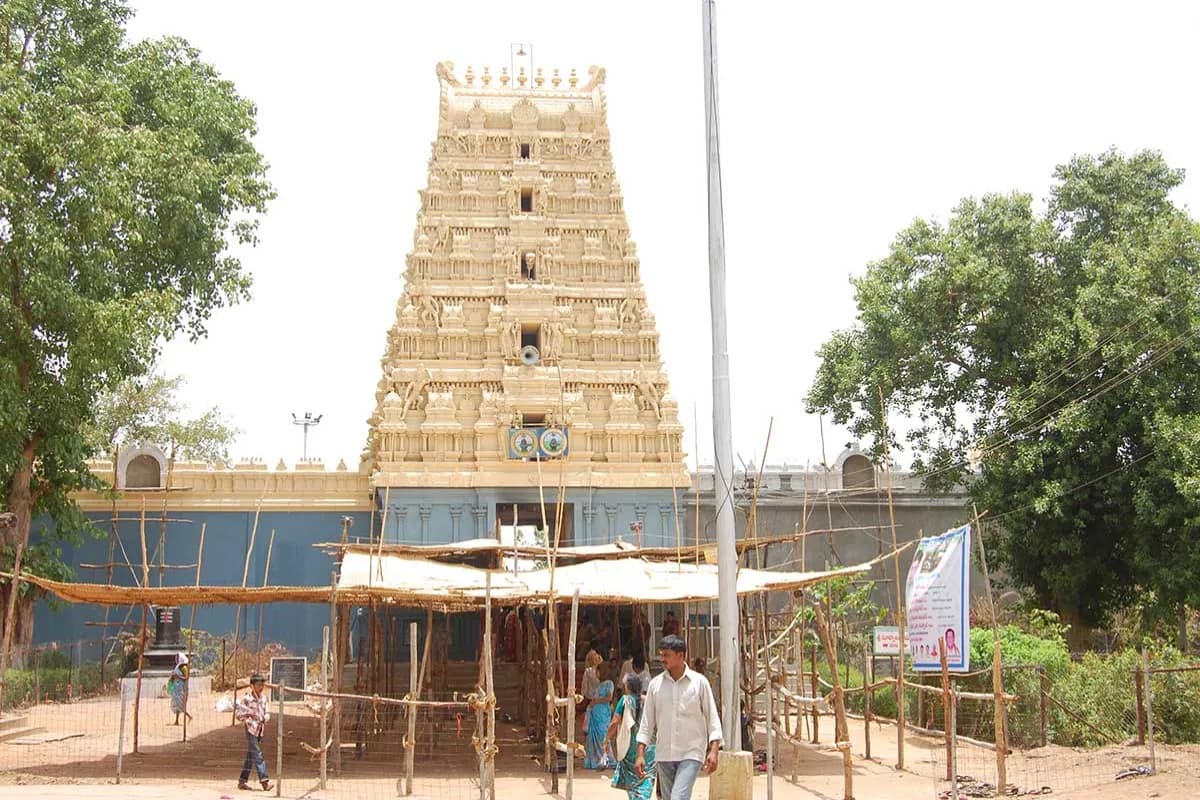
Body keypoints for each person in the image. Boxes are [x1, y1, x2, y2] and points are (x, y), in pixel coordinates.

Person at [636, 635, 722, 800]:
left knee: (678, 797)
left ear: (680, 656)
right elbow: (646, 723)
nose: (662, 659)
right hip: (664, 755)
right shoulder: (655, 685)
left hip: (691, 753)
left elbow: (712, 718)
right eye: (661, 654)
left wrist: (714, 751)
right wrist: (640, 754)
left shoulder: (699, 683)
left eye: (666, 655)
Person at [607, 673, 655, 799]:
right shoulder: (648, 700)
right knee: (646, 776)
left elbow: (615, 722)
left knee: (633, 780)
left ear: (628, 687)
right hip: (649, 747)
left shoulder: (625, 700)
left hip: (631, 746)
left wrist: (606, 739)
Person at [235, 673, 272, 791]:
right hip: (251, 728)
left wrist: (266, 716)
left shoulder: (263, 698)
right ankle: (264, 781)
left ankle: (242, 780)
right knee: (257, 754)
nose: (260, 687)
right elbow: (238, 715)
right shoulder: (246, 699)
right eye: (258, 685)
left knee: (251, 755)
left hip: (260, 729)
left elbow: (267, 711)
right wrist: (248, 718)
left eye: (262, 685)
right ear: (252, 686)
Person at [584, 662, 614, 769]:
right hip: (596, 713)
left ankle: (607, 758)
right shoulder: (599, 685)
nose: (596, 673)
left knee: (603, 735)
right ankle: (596, 760)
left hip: (603, 713)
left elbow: (609, 698)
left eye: (597, 671)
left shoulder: (609, 683)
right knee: (595, 736)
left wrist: (597, 701)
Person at [168, 653, 192, 725]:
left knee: (181, 705)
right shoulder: (177, 667)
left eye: (178, 658)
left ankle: (189, 717)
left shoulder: (184, 667)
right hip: (176, 688)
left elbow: (186, 677)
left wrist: (177, 676)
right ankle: (177, 721)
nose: (176, 659)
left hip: (181, 688)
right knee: (176, 705)